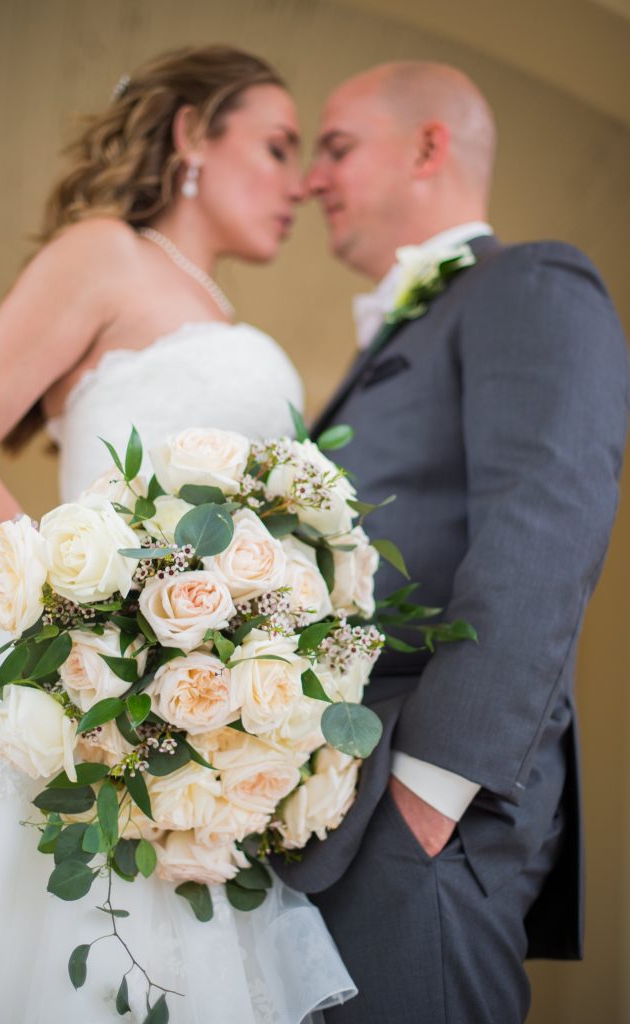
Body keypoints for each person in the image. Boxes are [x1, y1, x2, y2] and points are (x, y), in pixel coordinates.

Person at [0, 45, 357, 1023]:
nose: (299, 181)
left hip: (195, 710)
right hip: (93, 678)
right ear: (190, 137)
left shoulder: (216, 306)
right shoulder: (103, 253)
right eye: (274, 145)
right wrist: (89, 616)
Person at [273, 61, 629, 1022]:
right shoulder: (399, 333)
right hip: (339, 813)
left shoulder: (530, 283)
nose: (312, 180)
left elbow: (546, 518)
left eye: (336, 147)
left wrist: (431, 793)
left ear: (429, 146)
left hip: (416, 808)